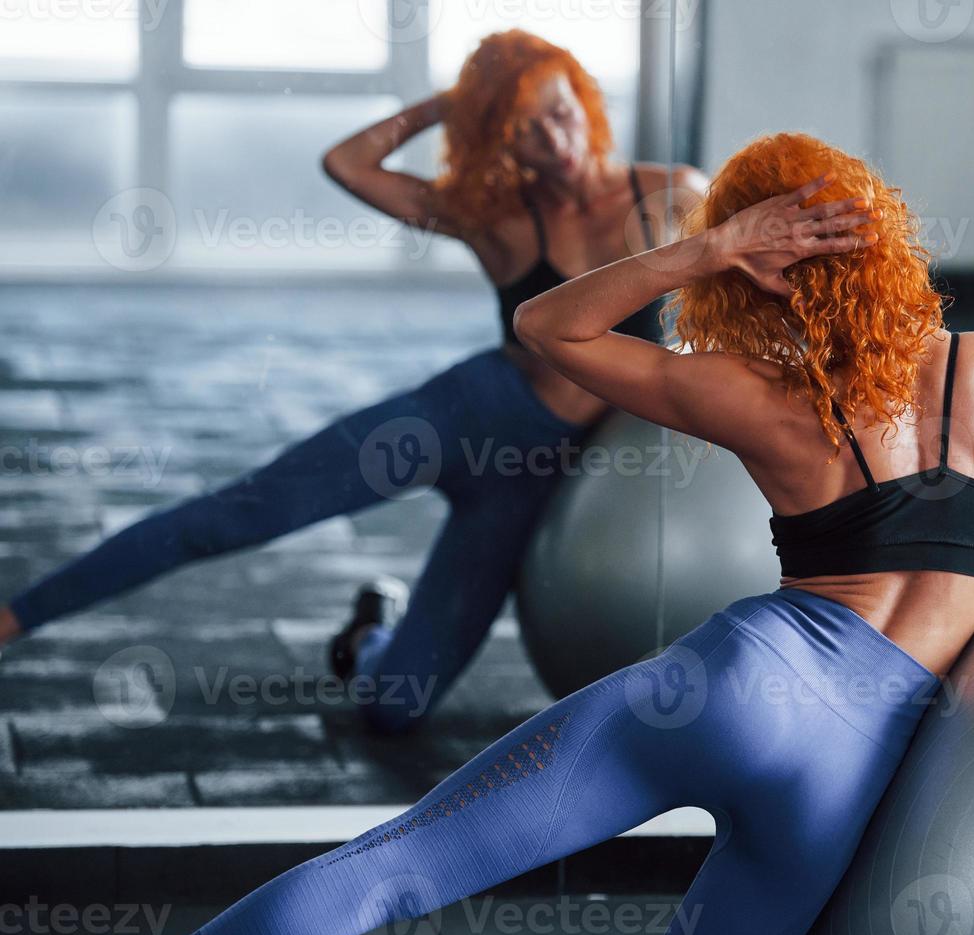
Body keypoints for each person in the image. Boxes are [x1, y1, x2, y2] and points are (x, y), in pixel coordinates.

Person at [124, 132, 974, 935]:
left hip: (727, 686)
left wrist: (705, 248)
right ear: (884, 241)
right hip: (847, 770)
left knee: (391, 870)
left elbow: (549, 330)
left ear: (759, 271)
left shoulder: (755, 392)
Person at [0, 30, 705, 732]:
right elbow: (347, 162)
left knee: (396, 708)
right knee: (236, 514)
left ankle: (368, 634)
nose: (555, 140)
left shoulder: (673, 196)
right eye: (524, 130)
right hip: (465, 417)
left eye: (559, 112)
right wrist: (452, 104)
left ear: (584, 99)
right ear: (499, 142)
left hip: (537, 479)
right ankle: (14, 616)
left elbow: (737, 296)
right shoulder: (495, 216)